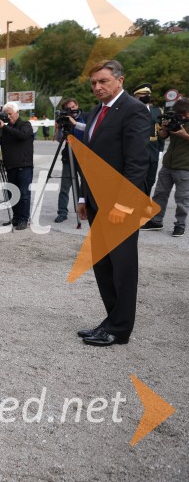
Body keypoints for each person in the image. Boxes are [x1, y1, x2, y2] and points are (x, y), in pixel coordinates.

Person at [75, 60, 149, 346]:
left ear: (119, 80)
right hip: (95, 202)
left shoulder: (134, 110)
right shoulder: (96, 111)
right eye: (94, 83)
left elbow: (137, 163)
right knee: (104, 266)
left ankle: (120, 329)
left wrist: (125, 205)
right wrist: (83, 196)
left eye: (103, 81)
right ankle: (111, 321)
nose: (97, 87)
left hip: (121, 205)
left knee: (123, 267)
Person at [141, 97, 189, 237]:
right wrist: (163, 128)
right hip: (168, 164)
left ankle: (180, 225)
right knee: (160, 194)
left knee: (182, 198)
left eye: (183, 114)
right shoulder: (176, 120)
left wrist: (184, 135)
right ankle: (156, 221)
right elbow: (162, 136)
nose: (181, 116)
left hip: (184, 167)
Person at [0, 101, 34, 230]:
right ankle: (16, 218)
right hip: (10, 166)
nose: (8, 117)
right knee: (12, 194)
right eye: (6, 114)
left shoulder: (26, 125)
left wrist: (4, 127)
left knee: (24, 194)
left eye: (10, 114)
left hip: (24, 166)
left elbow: (22, 135)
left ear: (17, 113)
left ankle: (24, 219)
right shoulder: (5, 129)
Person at [54, 98, 85, 223]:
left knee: (86, 186)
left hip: (84, 157)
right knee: (65, 187)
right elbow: (58, 139)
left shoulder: (86, 117)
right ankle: (62, 212)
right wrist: (60, 127)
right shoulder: (64, 119)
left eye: (73, 107)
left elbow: (89, 131)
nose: (71, 110)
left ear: (77, 105)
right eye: (68, 108)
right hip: (68, 156)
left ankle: (86, 210)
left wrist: (74, 123)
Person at [131, 83, 165, 195]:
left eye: (148, 94)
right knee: (136, 180)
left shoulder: (157, 111)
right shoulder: (130, 110)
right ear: (136, 96)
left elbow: (160, 130)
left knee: (150, 180)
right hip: (137, 150)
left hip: (153, 149)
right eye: (144, 94)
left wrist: (160, 149)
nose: (147, 96)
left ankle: (145, 203)